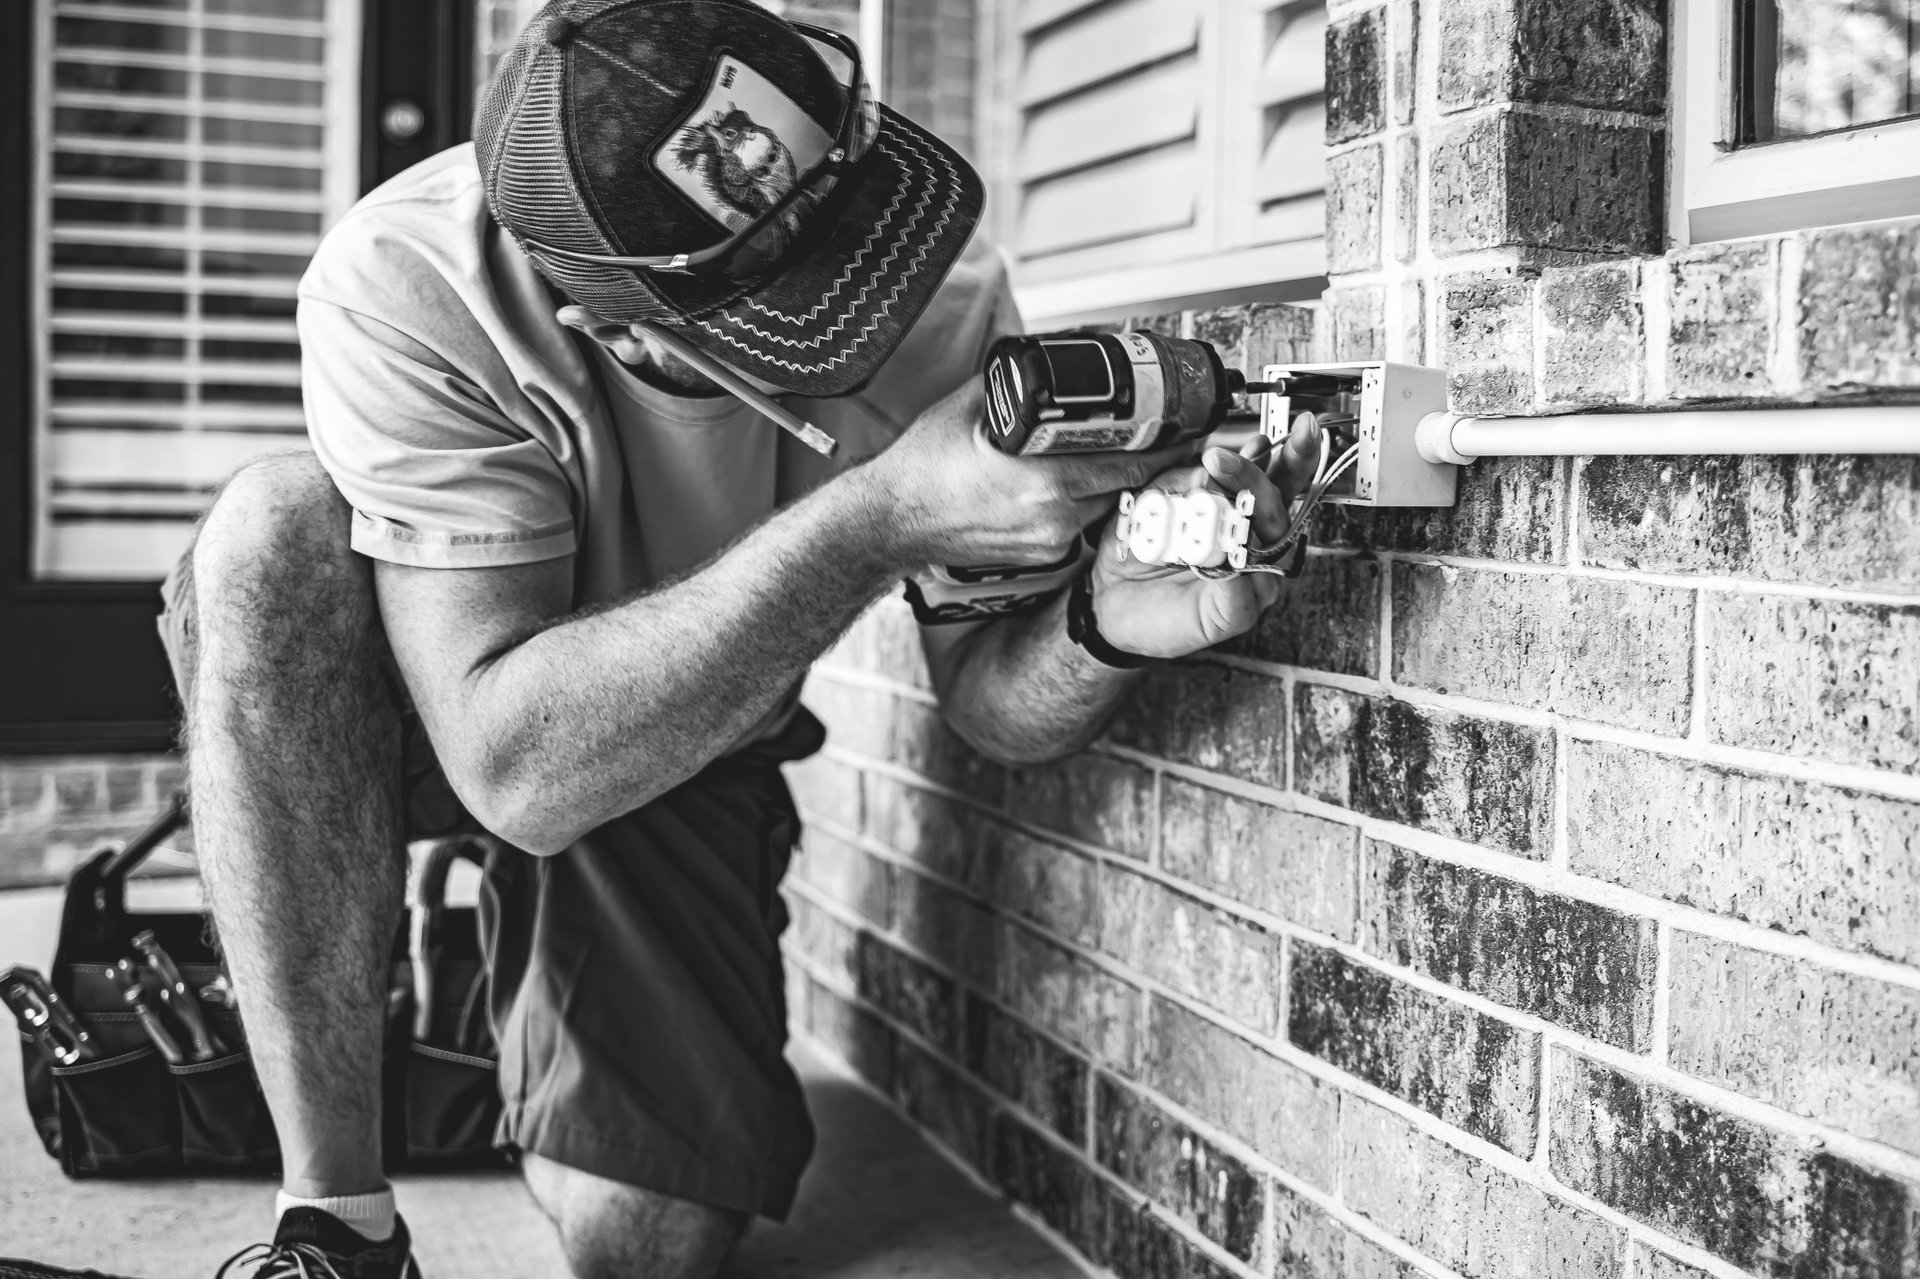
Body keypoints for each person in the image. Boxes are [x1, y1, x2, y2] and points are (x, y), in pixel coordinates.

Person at [162, 1, 1313, 1275]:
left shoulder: (943, 290)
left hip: (687, 743)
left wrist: (1107, 622)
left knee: (646, 1244)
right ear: (611, 325)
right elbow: (513, 770)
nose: (871, 304)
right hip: (451, 708)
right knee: (268, 540)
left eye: (849, 226)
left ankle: (476, 978)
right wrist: (880, 513)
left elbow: (989, 703)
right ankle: (336, 1216)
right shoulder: (406, 286)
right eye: (799, 309)